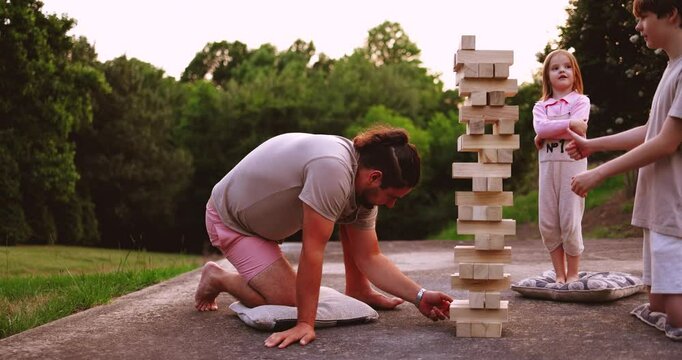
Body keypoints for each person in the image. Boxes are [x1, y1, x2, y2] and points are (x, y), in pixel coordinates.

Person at [194, 126, 453, 348]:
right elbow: (313, 251)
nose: (391, 205)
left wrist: (419, 296)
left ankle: (359, 289)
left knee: (349, 222)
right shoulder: (333, 170)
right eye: (392, 197)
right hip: (232, 221)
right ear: (375, 177)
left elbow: (370, 257)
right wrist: (305, 323)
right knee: (289, 301)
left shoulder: (361, 181)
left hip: (264, 226)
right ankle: (218, 278)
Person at [566, 0, 682, 341]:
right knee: (657, 300)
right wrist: (593, 145)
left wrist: (600, 173)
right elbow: (653, 129)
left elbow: (665, 143)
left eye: (644, 17)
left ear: (671, 13)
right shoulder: (673, 66)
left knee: (673, 311)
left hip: (674, 204)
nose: (638, 26)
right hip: (662, 204)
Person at [532, 49, 590, 284]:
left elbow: (580, 129)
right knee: (548, 222)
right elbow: (541, 129)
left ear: (575, 73)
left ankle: (573, 273)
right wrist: (568, 124)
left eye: (567, 66)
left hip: (572, 169)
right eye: (555, 68)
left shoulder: (581, 101)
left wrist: (551, 129)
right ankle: (559, 274)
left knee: (570, 220)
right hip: (547, 172)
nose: (562, 71)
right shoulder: (540, 106)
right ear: (548, 76)